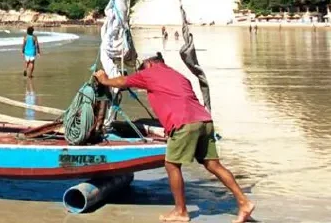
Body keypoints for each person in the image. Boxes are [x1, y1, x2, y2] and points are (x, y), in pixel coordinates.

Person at [94, 52, 255, 223]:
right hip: (204, 120)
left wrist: (104, 79)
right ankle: (244, 202)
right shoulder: (178, 75)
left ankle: (181, 211)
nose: (140, 71)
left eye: (141, 67)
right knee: (213, 164)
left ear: (148, 64)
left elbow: (122, 82)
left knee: (171, 165)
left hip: (184, 123)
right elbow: (176, 98)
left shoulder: (150, 73)